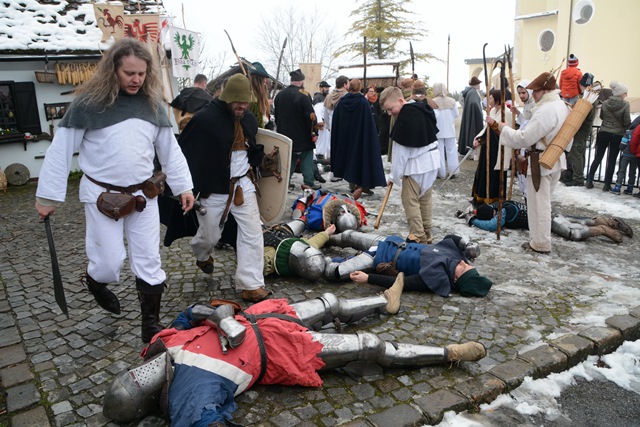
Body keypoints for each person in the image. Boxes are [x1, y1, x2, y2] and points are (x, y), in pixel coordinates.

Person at [103, 292, 487, 425]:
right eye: (138, 382)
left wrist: (217, 317)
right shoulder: (189, 395)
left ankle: (382, 301)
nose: (142, 372)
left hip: (260, 317)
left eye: (136, 372)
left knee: (330, 303)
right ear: (146, 398)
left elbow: (191, 311)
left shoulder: (163, 343)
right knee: (369, 346)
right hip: (278, 351)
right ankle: (448, 353)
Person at [34, 38, 195, 342]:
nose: (136, 80)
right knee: (108, 262)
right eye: (129, 73)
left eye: (141, 74)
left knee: (148, 259)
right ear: (113, 70)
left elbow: (170, 151)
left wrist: (184, 186)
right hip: (102, 197)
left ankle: (151, 326)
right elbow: (60, 150)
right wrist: (47, 196)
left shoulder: (152, 106)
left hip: (143, 196)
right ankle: (96, 282)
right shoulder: (88, 105)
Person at [179, 73, 272, 303]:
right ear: (227, 97)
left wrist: (260, 158)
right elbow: (185, 152)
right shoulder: (205, 119)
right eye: (237, 102)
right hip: (214, 187)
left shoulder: (248, 119)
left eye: (245, 102)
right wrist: (184, 185)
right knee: (209, 236)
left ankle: (251, 285)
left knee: (252, 234)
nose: (241, 106)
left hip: (243, 185)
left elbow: (251, 149)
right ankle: (202, 255)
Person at [497, 72, 571, 254]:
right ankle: (539, 240)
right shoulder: (562, 105)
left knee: (539, 205)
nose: (534, 95)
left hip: (541, 162)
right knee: (542, 203)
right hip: (555, 158)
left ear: (546, 91)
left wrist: (504, 130)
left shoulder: (546, 110)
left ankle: (540, 243)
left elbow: (525, 137)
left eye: (536, 92)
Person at [323, 230, 492, 298]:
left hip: (378, 258)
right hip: (390, 241)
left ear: (455, 279)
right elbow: (450, 238)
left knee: (333, 270)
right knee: (347, 236)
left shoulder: (436, 278)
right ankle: (325, 235)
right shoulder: (456, 257)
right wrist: (465, 243)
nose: (462, 262)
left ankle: (316, 253)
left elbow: (401, 283)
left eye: (463, 268)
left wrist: (368, 278)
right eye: (467, 264)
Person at [379, 86, 440, 244]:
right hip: (432, 162)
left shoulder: (404, 118)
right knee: (425, 198)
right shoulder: (422, 108)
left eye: (390, 109)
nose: (389, 113)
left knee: (410, 200)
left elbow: (401, 153)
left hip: (416, 166)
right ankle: (427, 231)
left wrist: (394, 176)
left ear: (400, 100)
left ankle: (418, 236)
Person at [460, 202, 633, 243]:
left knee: (573, 232)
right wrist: (471, 212)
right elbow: (486, 209)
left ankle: (603, 229)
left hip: (545, 219)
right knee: (571, 219)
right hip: (547, 211)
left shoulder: (503, 212)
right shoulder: (501, 204)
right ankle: (607, 222)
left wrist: (473, 220)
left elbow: (492, 226)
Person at [330, 78, 387, 195]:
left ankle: (354, 184)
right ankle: (361, 185)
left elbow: (337, 120)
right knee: (360, 158)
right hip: (360, 136)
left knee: (350, 158)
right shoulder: (362, 102)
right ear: (360, 87)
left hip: (346, 137)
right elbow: (368, 122)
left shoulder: (342, 102)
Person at [274, 69, 321, 191]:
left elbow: (277, 116)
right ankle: (309, 182)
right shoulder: (304, 95)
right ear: (301, 82)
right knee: (306, 157)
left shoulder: (279, 95)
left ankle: (285, 182)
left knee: (288, 158)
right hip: (302, 135)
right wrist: (314, 133)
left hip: (285, 134)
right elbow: (311, 116)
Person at [586, 81, 631, 191]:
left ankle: (589, 179)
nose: (626, 95)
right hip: (617, 134)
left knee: (598, 157)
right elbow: (627, 121)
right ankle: (607, 184)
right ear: (620, 93)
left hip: (604, 132)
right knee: (612, 160)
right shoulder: (625, 105)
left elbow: (602, 116)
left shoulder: (605, 103)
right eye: (625, 93)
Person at [472, 89, 512, 206]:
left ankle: (493, 200)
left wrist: (493, 123)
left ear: (497, 99)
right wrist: (479, 139)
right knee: (483, 171)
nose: (488, 100)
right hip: (487, 147)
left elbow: (506, 132)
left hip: (498, 149)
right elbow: (486, 129)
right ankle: (481, 197)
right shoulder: (493, 110)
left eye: (491, 98)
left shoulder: (507, 113)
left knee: (494, 173)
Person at [564, 73, 597, 187]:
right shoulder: (591, 96)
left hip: (581, 128)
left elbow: (583, 114)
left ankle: (578, 178)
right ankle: (577, 175)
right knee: (580, 152)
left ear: (581, 85)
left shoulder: (587, 98)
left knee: (576, 152)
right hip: (585, 128)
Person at [291, 188, 367, 231]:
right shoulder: (317, 217)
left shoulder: (357, 212)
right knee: (299, 210)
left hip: (339, 197)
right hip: (320, 196)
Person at [510, 79, 535, 198]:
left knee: (528, 178)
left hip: (530, 145)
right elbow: (525, 121)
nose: (521, 96)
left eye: (523, 93)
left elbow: (531, 125)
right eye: (519, 93)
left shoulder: (534, 104)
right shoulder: (527, 103)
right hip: (523, 145)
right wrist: (518, 113)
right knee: (522, 175)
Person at [323, 75, 349, 182]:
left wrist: (329, 127)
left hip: (332, 128)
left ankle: (334, 173)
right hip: (344, 127)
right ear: (344, 84)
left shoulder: (329, 97)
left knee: (334, 150)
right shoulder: (346, 96)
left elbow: (325, 114)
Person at [432, 83, 460, 179]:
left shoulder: (433, 102)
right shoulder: (452, 101)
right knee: (452, 151)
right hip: (450, 129)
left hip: (438, 130)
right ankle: (453, 171)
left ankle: (441, 173)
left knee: (439, 152)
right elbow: (456, 114)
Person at [611, 116, 640, 194]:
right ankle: (630, 188)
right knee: (632, 172)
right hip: (635, 156)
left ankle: (617, 187)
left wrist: (622, 149)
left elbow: (622, 144)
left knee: (622, 171)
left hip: (626, 155)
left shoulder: (628, 133)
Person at [458, 76, 484, 155]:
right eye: (478, 84)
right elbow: (474, 103)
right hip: (474, 115)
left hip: (471, 114)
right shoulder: (473, 92)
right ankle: (472, 151)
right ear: (476, 84)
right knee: (473, 131)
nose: (479, 85)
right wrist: (478, 112)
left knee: (469, 130)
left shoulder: (470, 92)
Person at [248, 62, 273, 129]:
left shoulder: (261, 96)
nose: (265, 81)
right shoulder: (252, 97)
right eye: (264, 78)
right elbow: (257, 123)